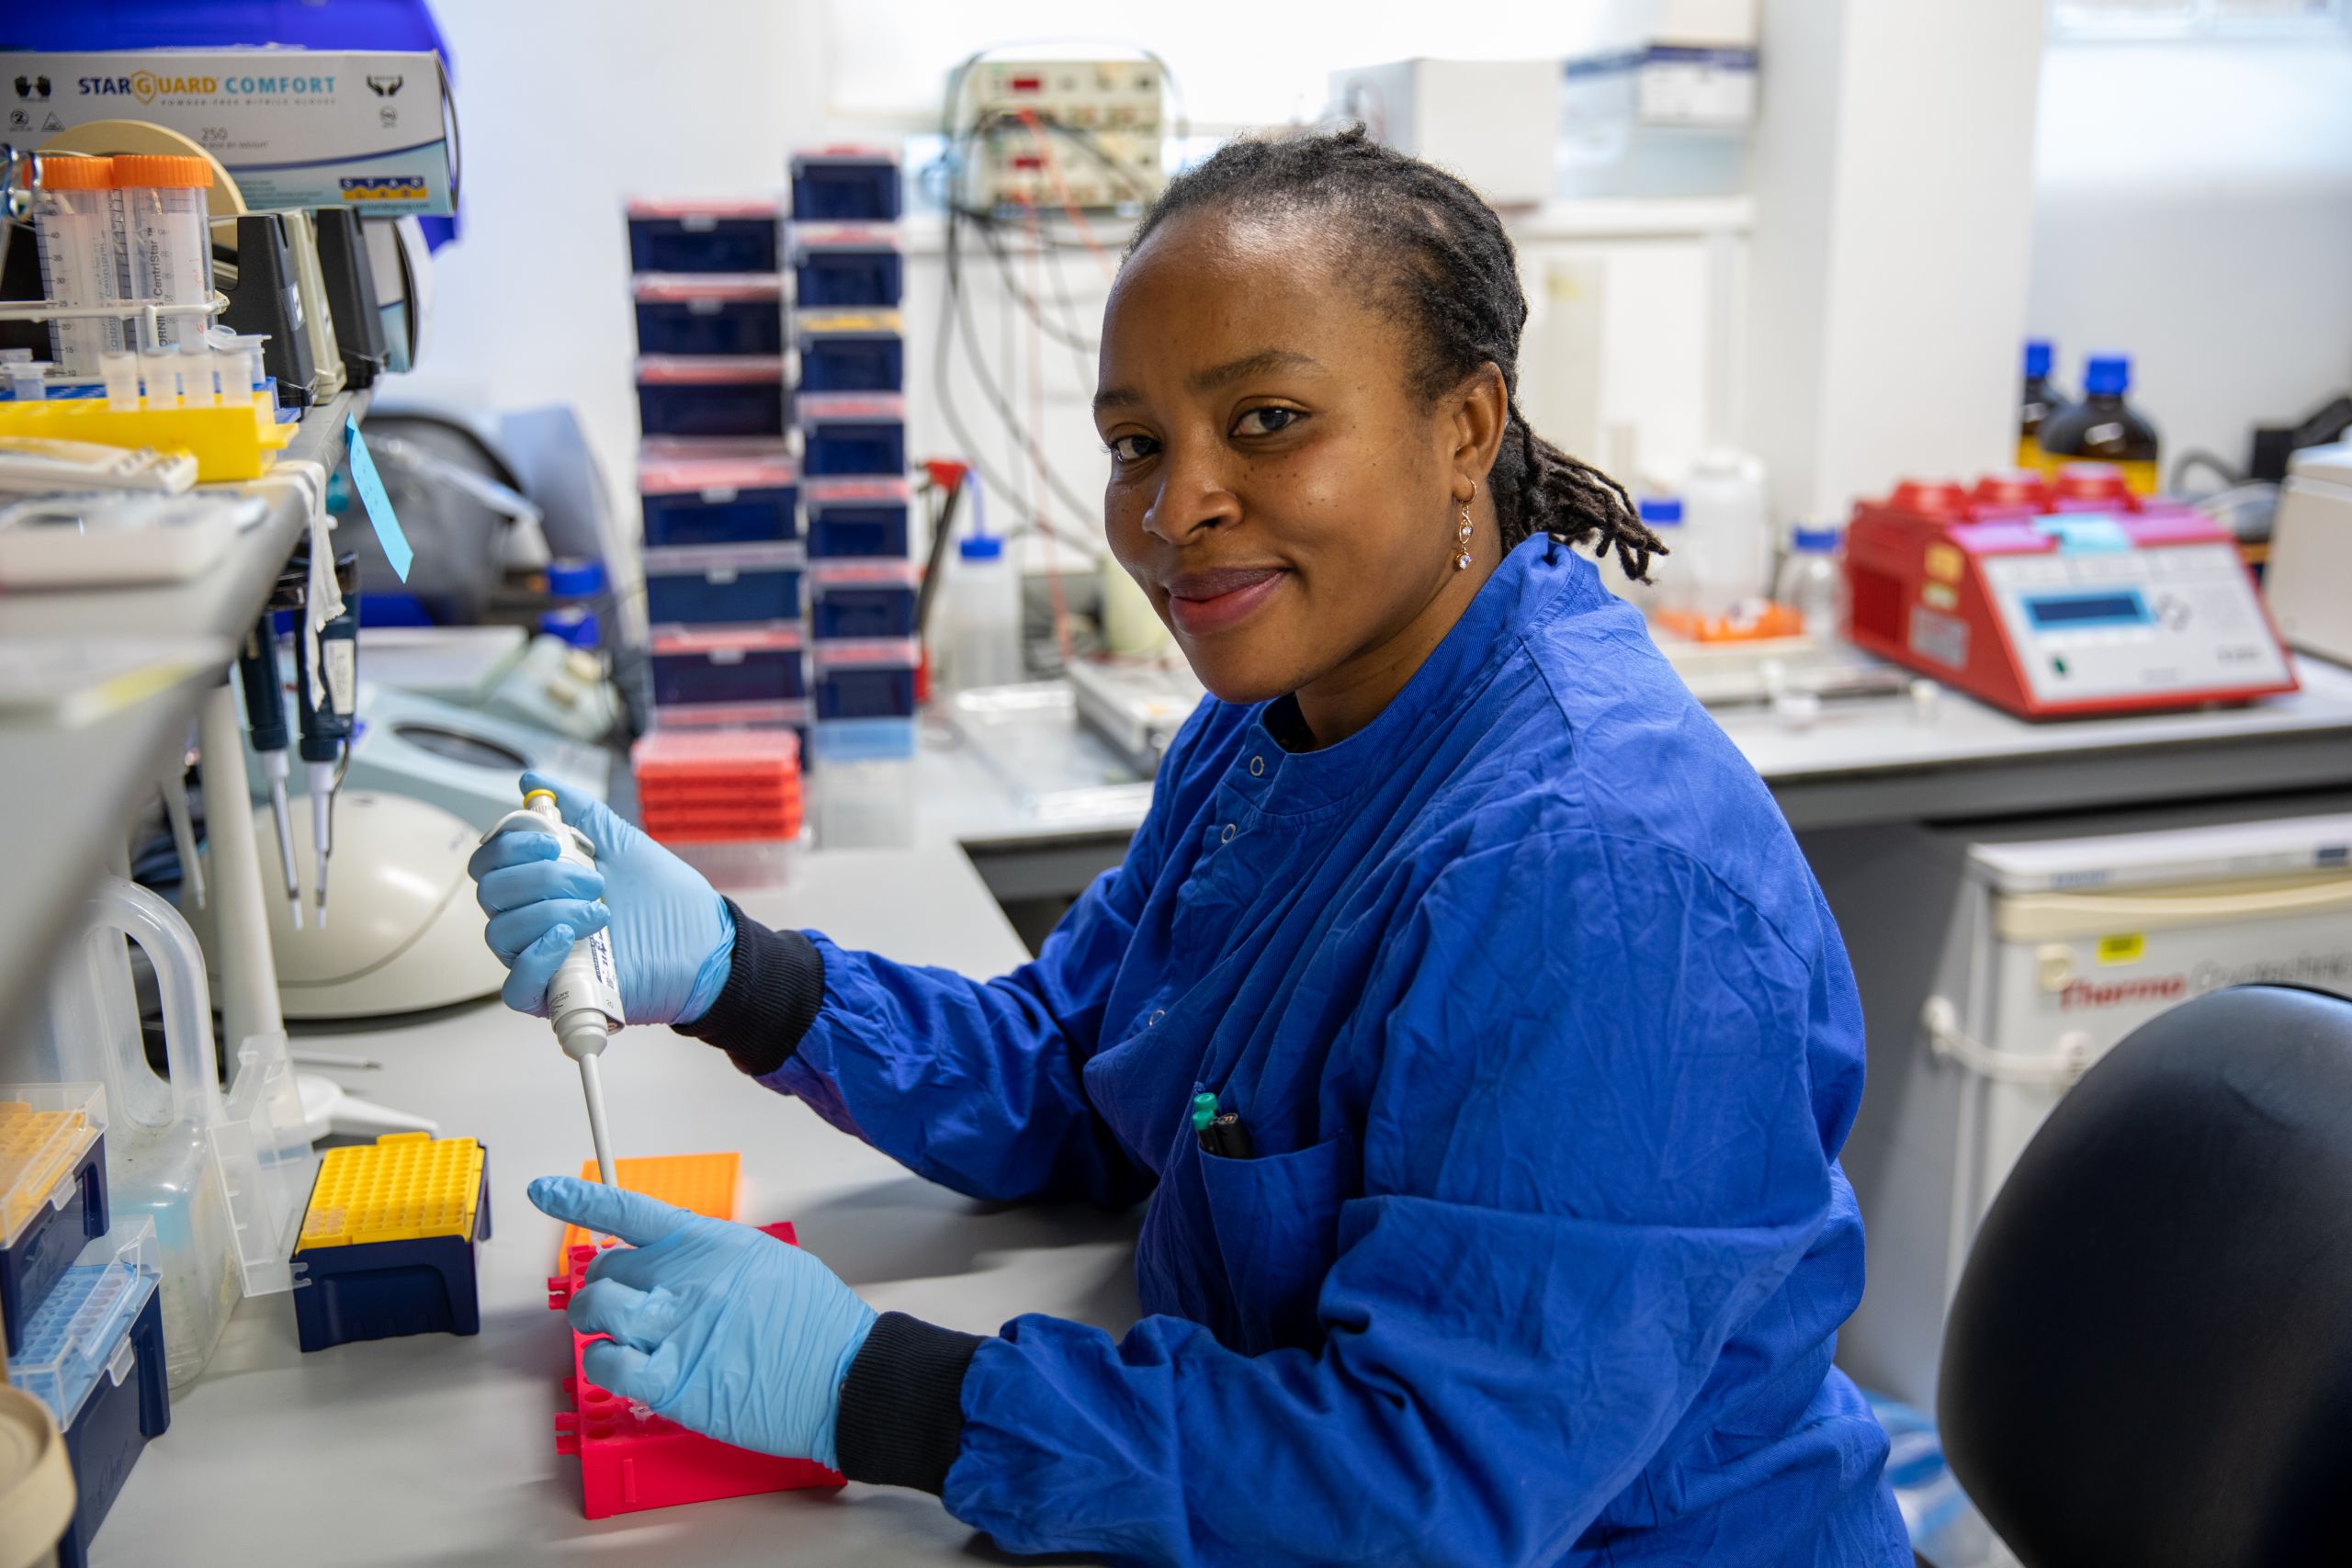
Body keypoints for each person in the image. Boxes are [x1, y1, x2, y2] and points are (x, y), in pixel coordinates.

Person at [472, 127, 1909, 1565]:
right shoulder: (1287, 714)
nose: (1175, 510)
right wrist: (744, 975)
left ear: (1466, 428)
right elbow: (1082, 1072)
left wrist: (888, 1395)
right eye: (1136, 445)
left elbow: (1427, 1490)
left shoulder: (1594, 877)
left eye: (1268, 419)